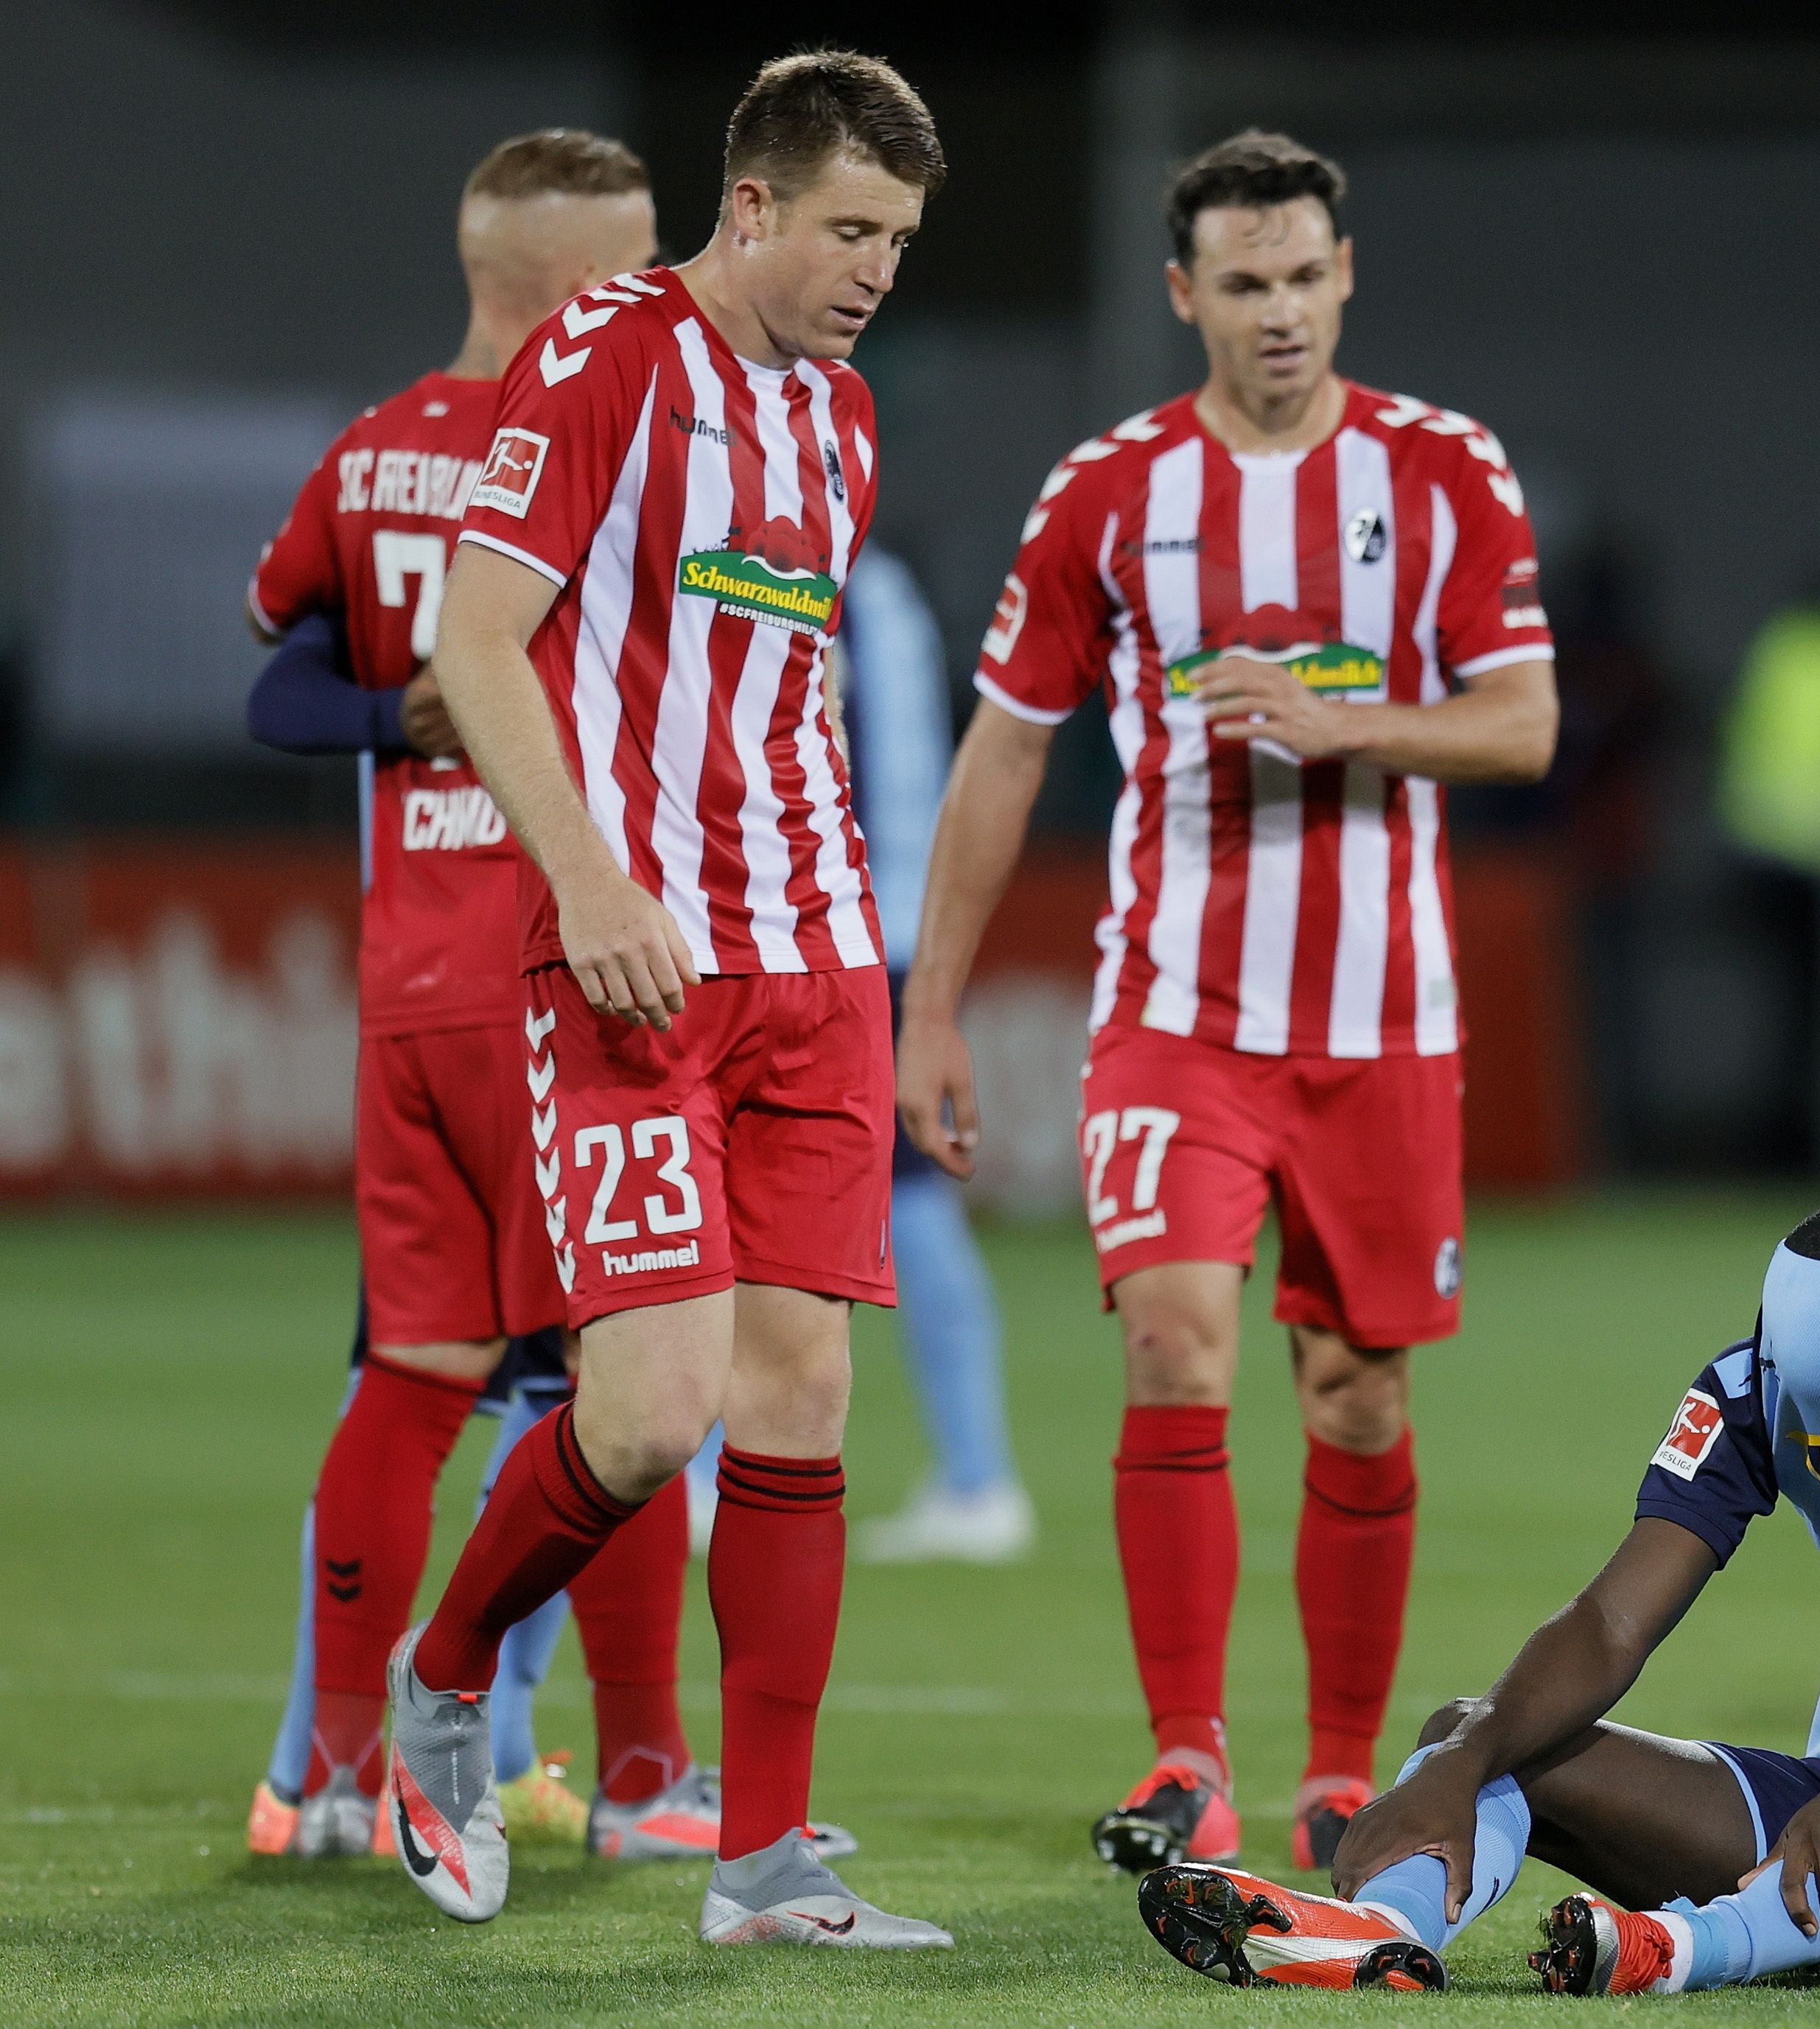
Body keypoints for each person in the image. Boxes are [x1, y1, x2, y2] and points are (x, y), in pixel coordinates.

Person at [897, 130, 1558, 1875]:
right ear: (1185, 293)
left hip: (1386, 1025)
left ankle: (1341, 1771)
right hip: (1177, 1013)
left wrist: (1354, 726)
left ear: (1350, 275)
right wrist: (931, 1007)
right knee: (1176, 1336)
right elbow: (1003, 755)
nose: (1279, 313)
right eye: (1243, 284)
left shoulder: (1444, 471)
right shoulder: (1109, 495)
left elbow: (1524, 726)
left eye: (1304, 277)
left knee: (1355, 1392)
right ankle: (1187, 1756)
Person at [382, 51, 951, 1946]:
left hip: (812, 967)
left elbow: (772, 698)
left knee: (803, 1400)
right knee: (649, 1408)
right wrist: (591, 876)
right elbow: (473, 641)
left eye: (902, 241)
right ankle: (445, 1683)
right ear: (760, 206)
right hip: (636, 963)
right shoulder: (608, 356)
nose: (877, 270)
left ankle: (765, 1863)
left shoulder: (843, 420)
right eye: (853, 230)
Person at [1121, 1199, 1820, 1994]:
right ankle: (1376, 1931)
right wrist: (1461, 1761)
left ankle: (1683, 1948)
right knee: (1485, 1732)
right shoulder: (1754, 1379)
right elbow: (1608, 1621)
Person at [239, 130, 709, 1863]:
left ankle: (339, 1774)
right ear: (572, 285)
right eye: (641, 257)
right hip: (553, 971)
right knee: (629, 1366)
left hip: (406, 987)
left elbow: (282, 679)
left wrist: (391, 717)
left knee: (411, 1377)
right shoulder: (609, 432)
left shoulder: (370, 455)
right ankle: (652, 1776)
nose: (667, 285)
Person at [830, 548, 1031, 1564]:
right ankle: (975, 1472)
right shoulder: (892, 589)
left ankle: (977, 1474)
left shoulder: (806, 582)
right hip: (895, 922)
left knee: (870, 1198)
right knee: (904, 1198)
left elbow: (823, 751)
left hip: (841, 928)